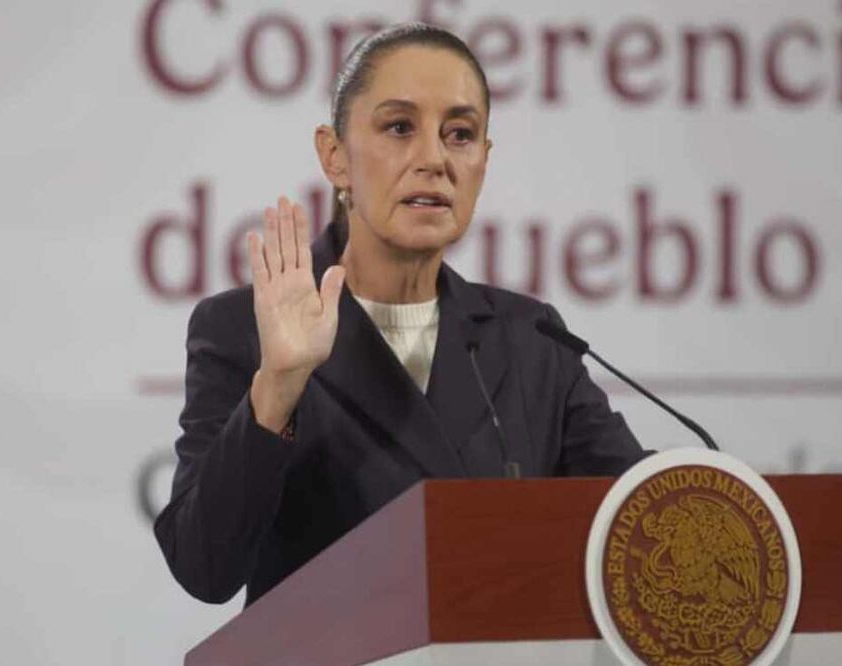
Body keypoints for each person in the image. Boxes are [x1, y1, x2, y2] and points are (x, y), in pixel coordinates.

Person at [154, 23, 648, 607]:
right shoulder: (242, 329)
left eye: (460, 134)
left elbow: (643, 514)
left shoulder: (532, 339)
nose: (434, 159)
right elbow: (203, 568)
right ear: (334, 157)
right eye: (398, 128)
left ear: (484, 161)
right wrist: (279, 385)